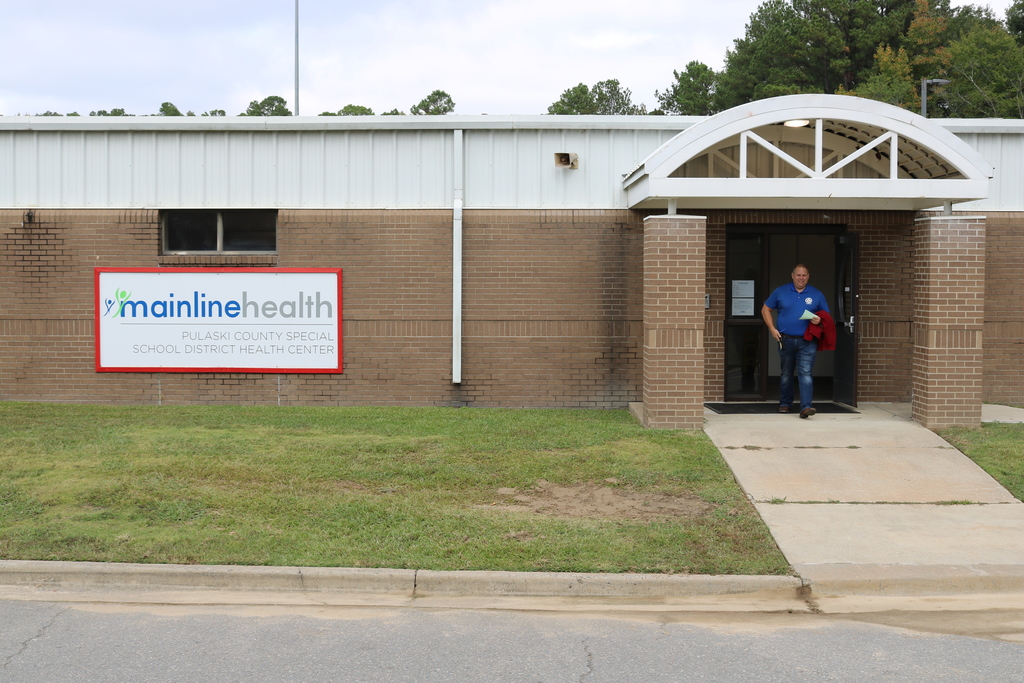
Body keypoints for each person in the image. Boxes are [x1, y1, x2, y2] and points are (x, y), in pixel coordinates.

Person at [761, 264, 830, 418]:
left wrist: (819, 320)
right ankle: (785, 404)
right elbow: (765, 309)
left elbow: (826, 317)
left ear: (808, 276)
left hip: (808, 341)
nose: (801, 278)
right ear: (792, 276)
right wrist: (772, 329)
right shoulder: (780, 291)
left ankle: (806, 407)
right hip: (785, 340)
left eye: (804, 275)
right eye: (798, 275)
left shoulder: (816, 294)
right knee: (786, 374)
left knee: (805, 373)